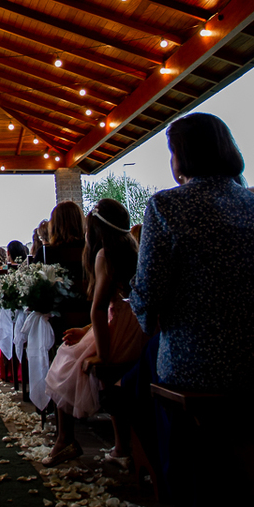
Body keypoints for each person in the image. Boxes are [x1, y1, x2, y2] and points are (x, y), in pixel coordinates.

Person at [131, 113, 254, 392]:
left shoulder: (166, 206)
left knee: (140, 381)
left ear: (182, 157)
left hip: (202, 365)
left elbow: (148, 294)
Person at [43, 199, 147, 466]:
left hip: (116, 333)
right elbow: (119, 309)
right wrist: (86, 331)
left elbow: (100, 310)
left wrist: (103, 353)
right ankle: (121, 446)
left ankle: (65, 440)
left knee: (65, 361)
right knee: (75, 350)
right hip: (135, 327)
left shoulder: (104, 255)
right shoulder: (134, 250)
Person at [45, 201, 93, 331]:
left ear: (54, 225)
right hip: (91, 319)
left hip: (58, 320)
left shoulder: (48, 253)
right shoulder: (92, 251)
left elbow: (43, 295)